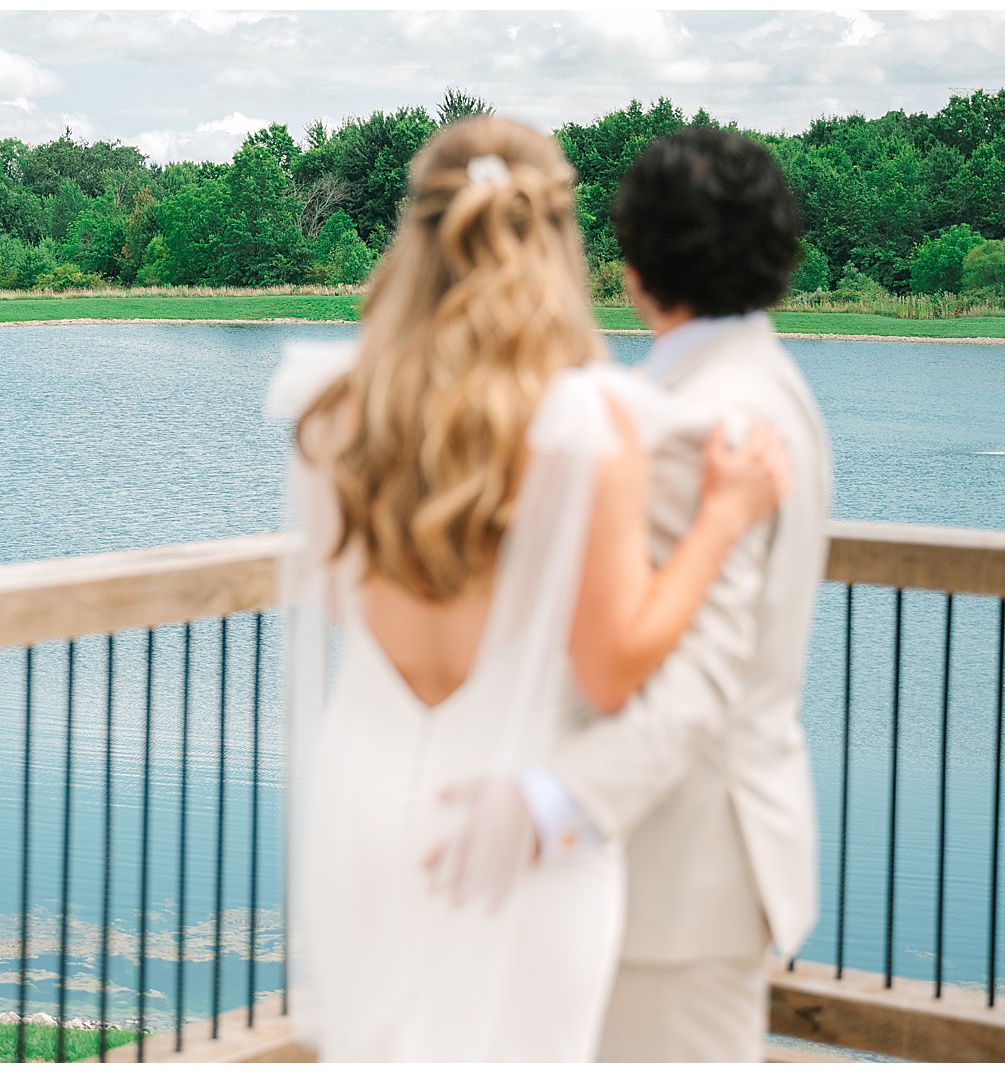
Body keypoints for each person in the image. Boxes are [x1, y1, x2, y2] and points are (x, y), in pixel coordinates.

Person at [266, 117, 794, 1062]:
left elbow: (344, 598)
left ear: (415, 236)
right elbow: (610, 668)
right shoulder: (588, 424)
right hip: (509, 823)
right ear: (560, 240)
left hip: (365, 798)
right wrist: (720, 521)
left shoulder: (338, 408)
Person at [430, 128, 833, 1062]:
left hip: (672, 877)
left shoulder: (703, 422)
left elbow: (700, 680)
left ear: (636, 258)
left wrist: (549, 800)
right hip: (700, 864)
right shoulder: (768, 384)